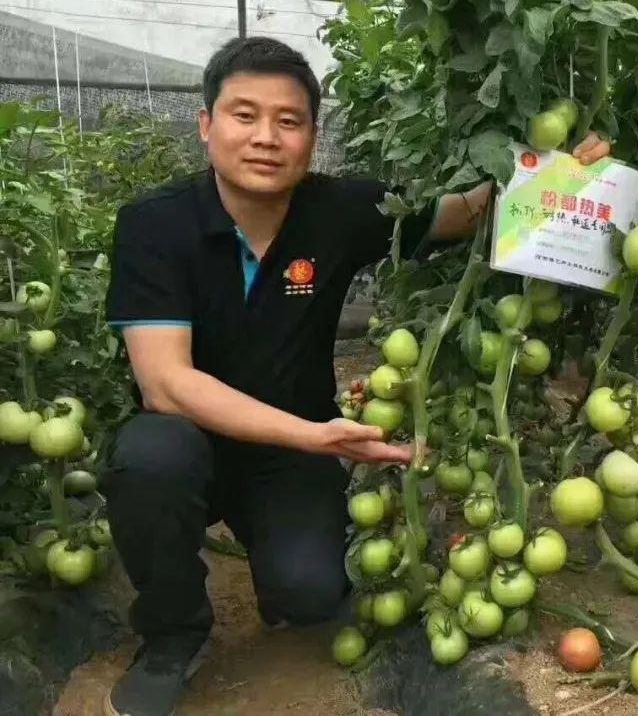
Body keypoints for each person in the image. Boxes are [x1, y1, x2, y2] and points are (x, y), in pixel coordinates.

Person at [100, 36, 609, 716]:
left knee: (310, 595)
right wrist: (316, 437)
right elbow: (166, 383)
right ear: (206, 125)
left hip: (290, 455)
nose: (265, 137)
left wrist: (553, 175)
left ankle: (279, 563)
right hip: (201, 441)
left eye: (289, 121)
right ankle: (171, 634)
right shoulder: (155, 225)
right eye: (243, 115)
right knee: (147, 458)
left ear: (313, 135)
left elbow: (454, 215)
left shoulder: (339, 210)